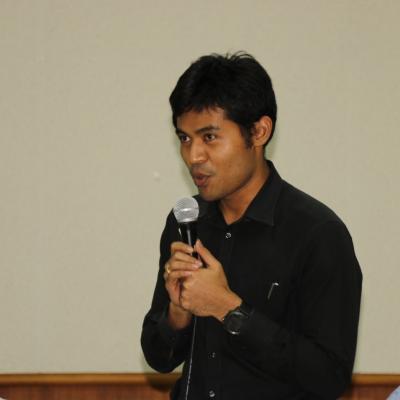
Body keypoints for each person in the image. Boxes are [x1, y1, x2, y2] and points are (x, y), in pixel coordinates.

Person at [141, 52, 362, 400]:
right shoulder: (186, 222)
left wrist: (228, 309)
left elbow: (328, 377)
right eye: (184, 138)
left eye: (209, 137)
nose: (193, 156)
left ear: (259, 131)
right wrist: (178, 311)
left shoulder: (318, 234)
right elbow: (159, 358)